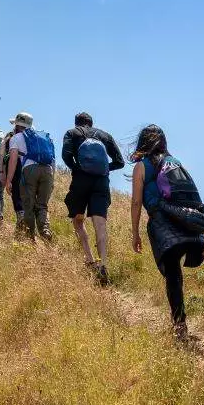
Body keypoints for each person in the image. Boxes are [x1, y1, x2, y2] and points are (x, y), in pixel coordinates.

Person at [130, 124, 204, 342]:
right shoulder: (174, 162)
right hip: (186, 221)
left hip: (163, 225)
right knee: (175, 274)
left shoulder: (141, 167)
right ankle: (180, 322)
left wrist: (135, 233)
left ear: (142, 143)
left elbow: (137, 202)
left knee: (172, 275)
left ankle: (180, 325)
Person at [62, 112, 125, 284]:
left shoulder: (72, 133)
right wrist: (104, 169)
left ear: (77, 123)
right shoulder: (105, 136)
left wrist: (78, 168)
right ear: (92, 123)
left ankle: (89, 259)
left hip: (81, 182)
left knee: (78, 220)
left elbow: (66, 156)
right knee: (100, 224)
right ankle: (103, 264)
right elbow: (120, 162)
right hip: (101, 183)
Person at [3, 112, 56, 241]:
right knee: (42, 205)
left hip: (29, 170)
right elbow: (53, 160)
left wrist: (8, 181)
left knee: (28, 205)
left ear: (16, 125)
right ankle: (45, 230)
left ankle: (30, 237)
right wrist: (52, 179)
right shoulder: (45, 137)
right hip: (47, 171)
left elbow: (13, 160)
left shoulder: (16, 138)